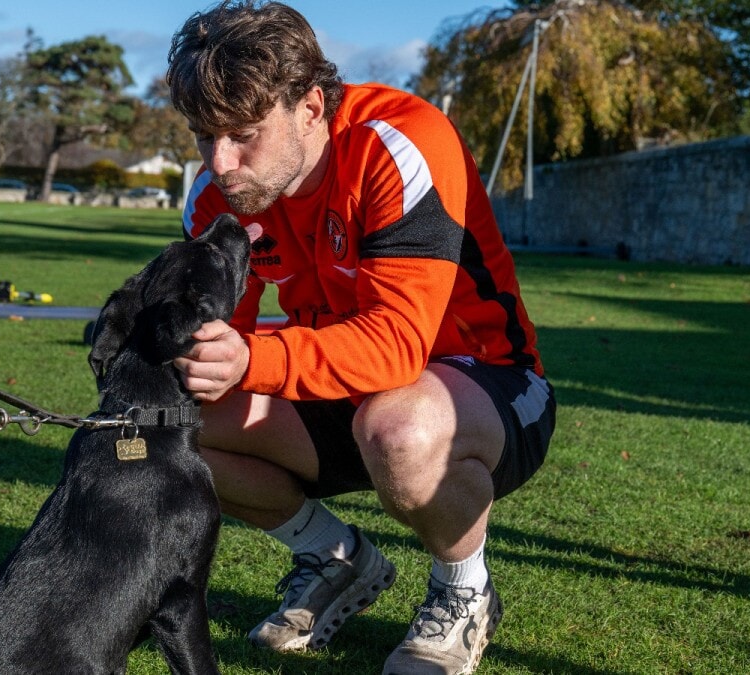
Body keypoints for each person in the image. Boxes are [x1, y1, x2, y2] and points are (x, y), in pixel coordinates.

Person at [167, 2, 555, 673]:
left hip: (489, 385)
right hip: (345, 394)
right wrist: (184, 353)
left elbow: (395, 349)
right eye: (205, 137)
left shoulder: (399, 143)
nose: (221, 162)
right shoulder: (217, 191)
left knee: (397, 428)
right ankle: (335, 558)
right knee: (177, 421)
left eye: (243, 135)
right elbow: (221, 332)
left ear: (311, 107)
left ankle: (464, 591)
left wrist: (250, 357)